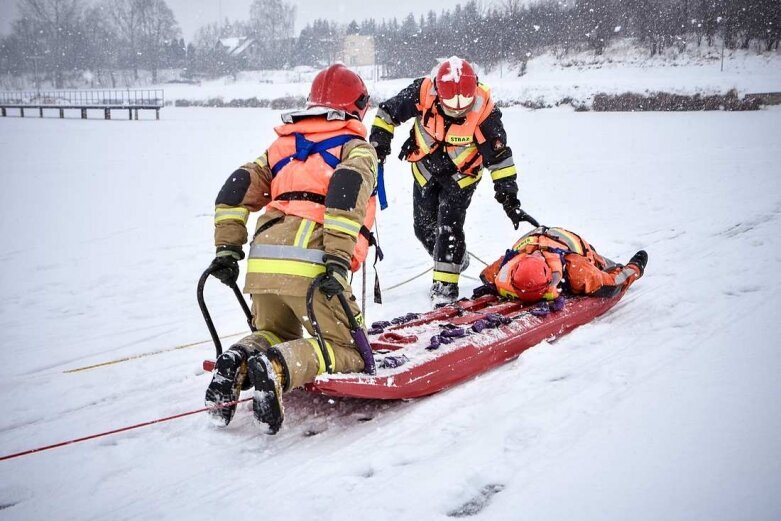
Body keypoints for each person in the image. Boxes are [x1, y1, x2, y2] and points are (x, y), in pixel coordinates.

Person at [203, 64, 378, 434]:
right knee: (351, 353)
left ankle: (239, 358)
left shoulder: (280, 146)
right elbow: (344, 199)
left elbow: (236, 188)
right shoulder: (356, 148)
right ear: (358, 106)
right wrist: (337, 260)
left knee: (276, 333)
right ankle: (277, 367)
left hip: (264, 259)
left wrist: (227, 247)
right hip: (314, 261)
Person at [369, 56, 534, 304]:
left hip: (462, 177)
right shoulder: (423, 91)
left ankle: (445, 290)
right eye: (452, 102)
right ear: (438, 92)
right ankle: (458, 259)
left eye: (463, 101)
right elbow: (387, 112)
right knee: (423, 229)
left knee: (448, 228)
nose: (458, 107)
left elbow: (499, 158)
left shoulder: (483, 109)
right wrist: (380, 142)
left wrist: (509, 197)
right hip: (425, 169)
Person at [478, 226, 648, 304]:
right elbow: (485, 275)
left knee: (606, 271)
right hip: (538, 237)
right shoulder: (505, 264)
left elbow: (615, 281)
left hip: (579, 249)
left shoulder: (576, 268)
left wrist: (634, 268)